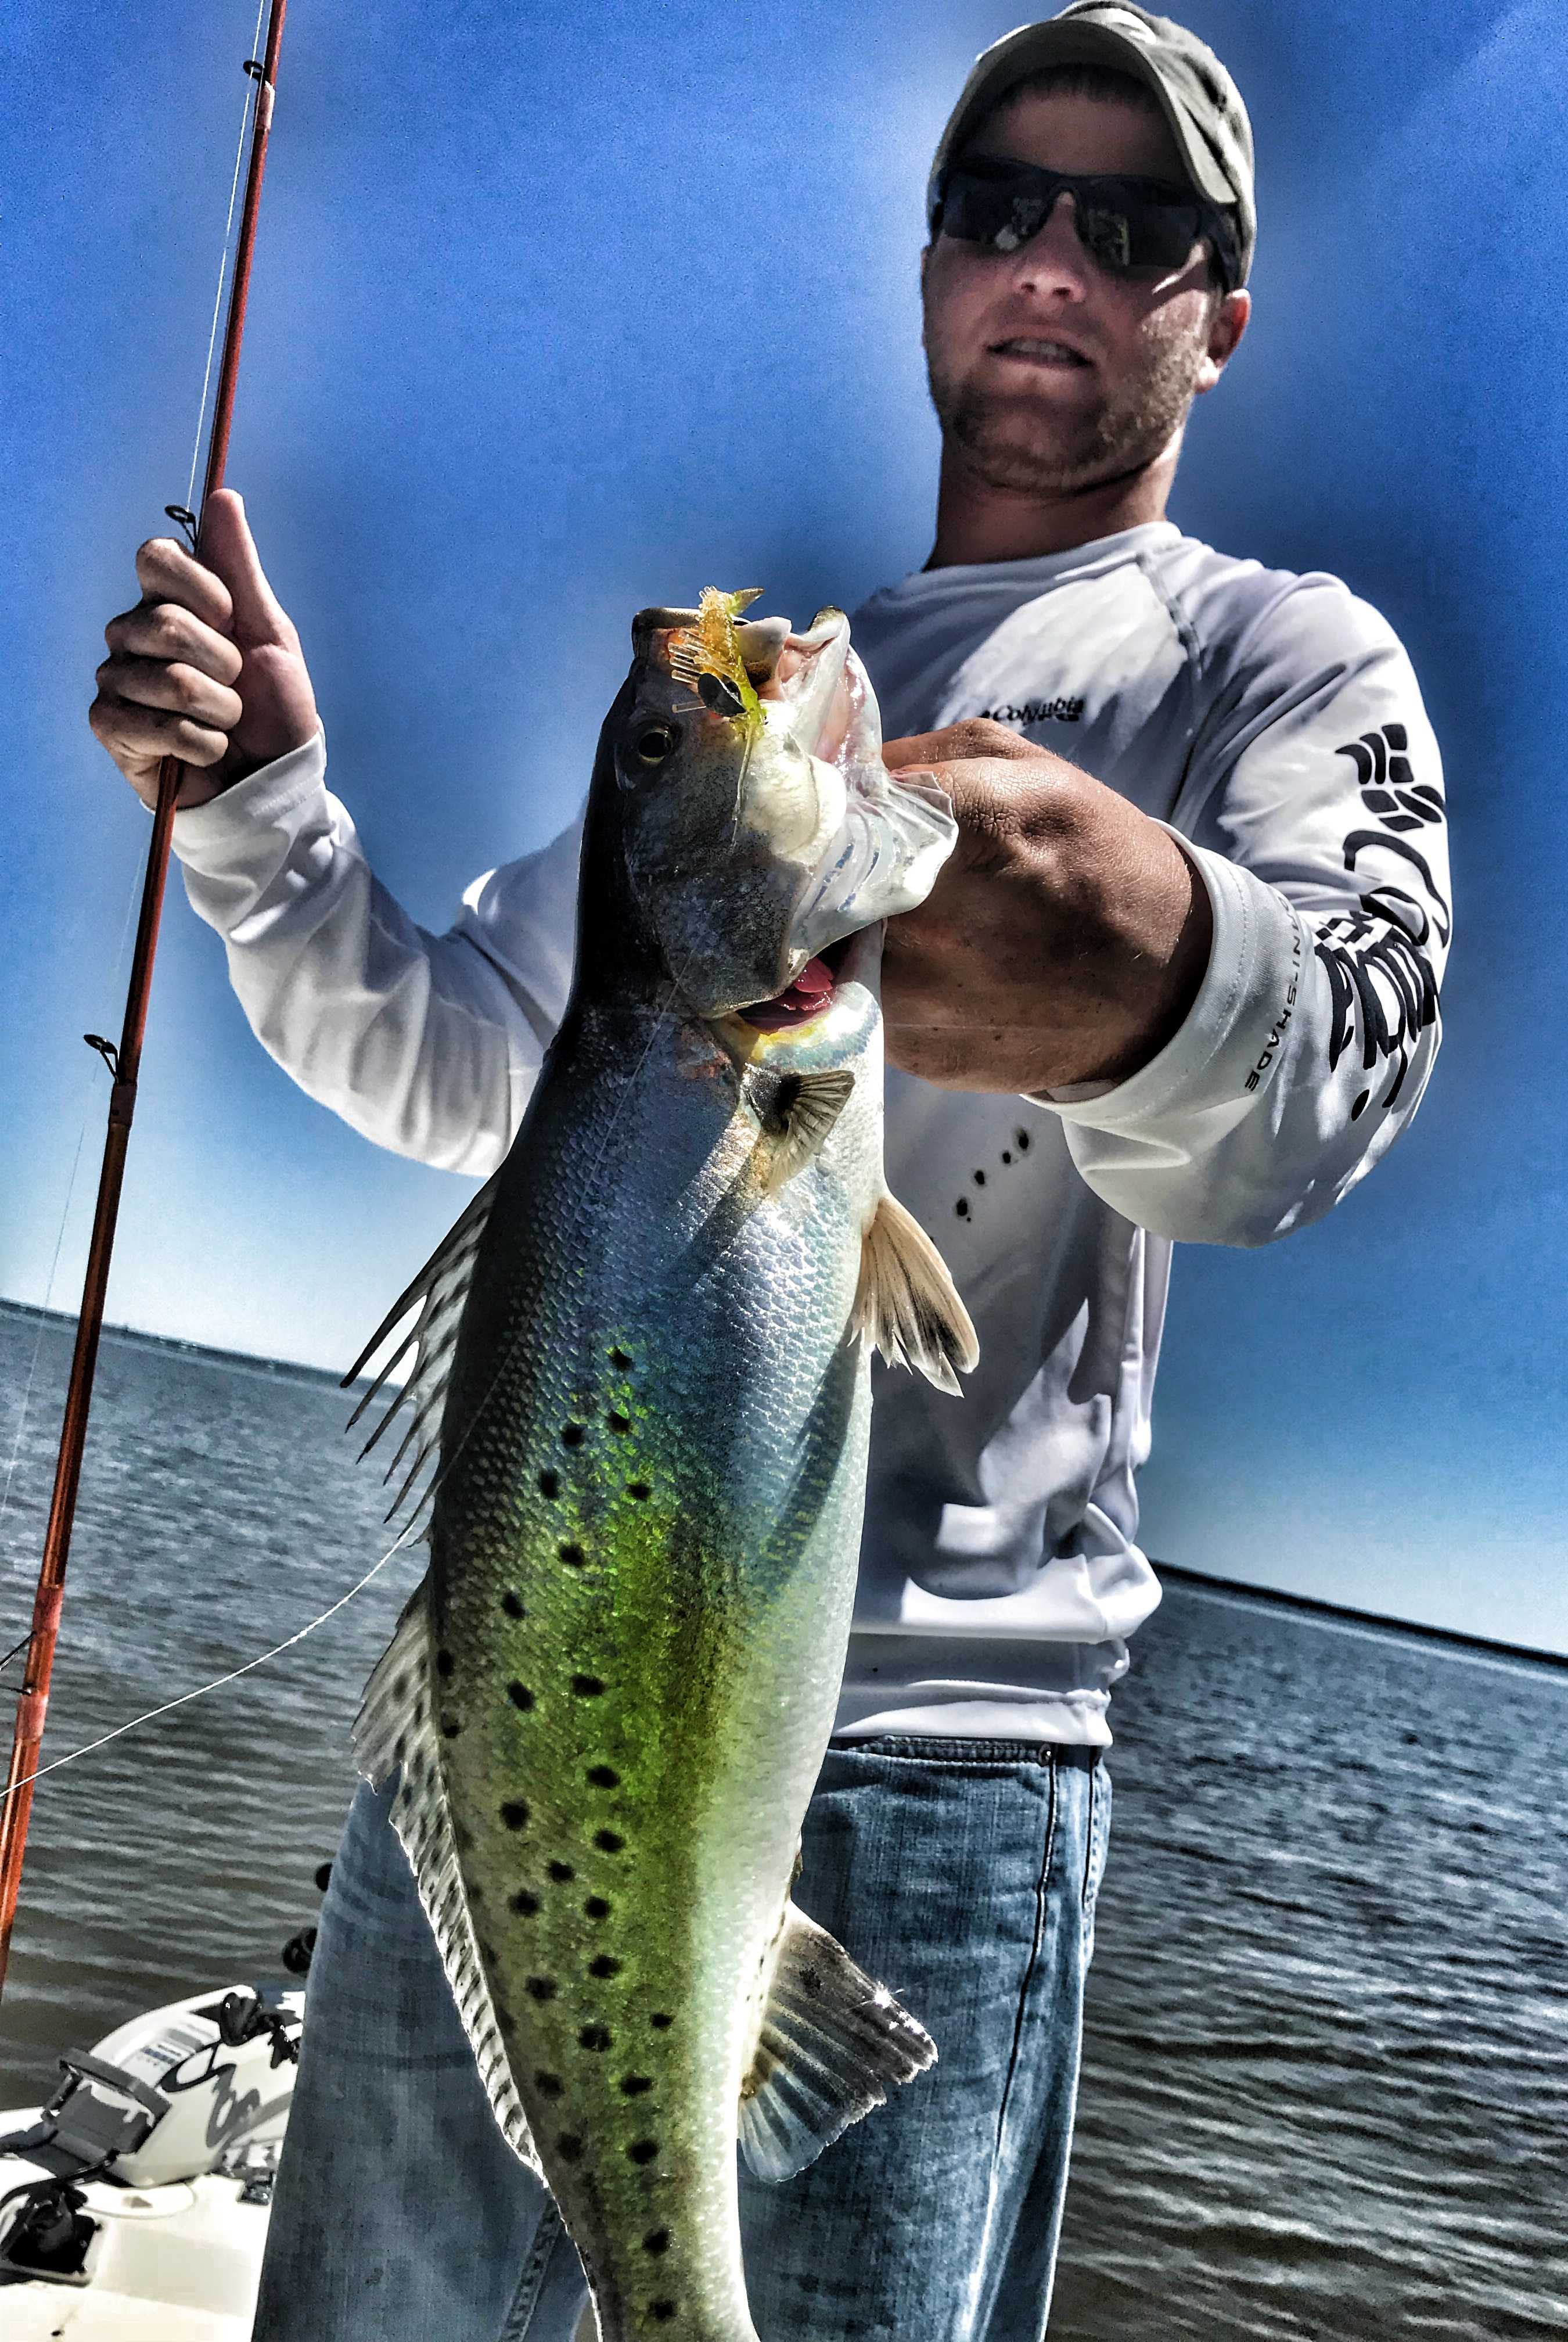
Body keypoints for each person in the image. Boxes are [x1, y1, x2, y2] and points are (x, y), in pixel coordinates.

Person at [88, 7, 1451, 2337]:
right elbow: (455, 1065)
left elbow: (1330, 1076)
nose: (1051, 259)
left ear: (1219, 316)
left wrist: (1149, 974)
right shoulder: (769, 760)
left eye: (1132, 231)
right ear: (929, 269)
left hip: (936, 1780)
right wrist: (263, 815)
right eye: (997, 204)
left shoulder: (1273, 660)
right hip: (515, 1736)